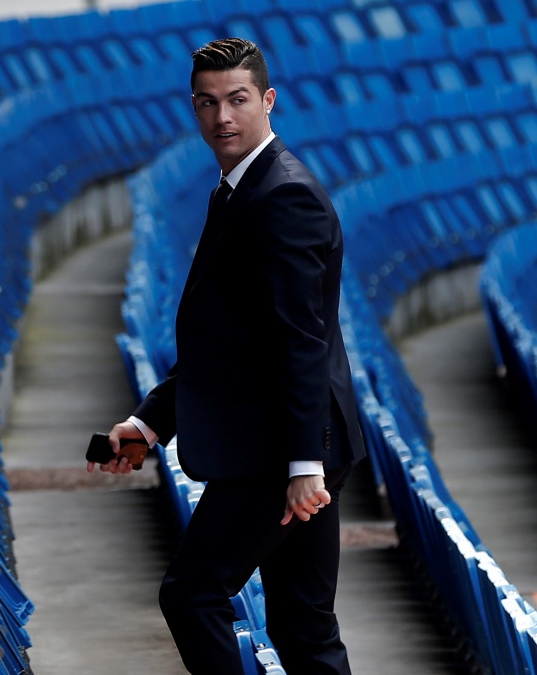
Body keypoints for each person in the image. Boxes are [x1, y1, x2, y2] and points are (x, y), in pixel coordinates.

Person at [89, 37, 366, 675]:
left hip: (281, 450)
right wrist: (149, 423)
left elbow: (299, 344)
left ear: (268, 100)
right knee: (305, 629)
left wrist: (303, 467)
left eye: (238, 100)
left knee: (192, 594)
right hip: (294, 441)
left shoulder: (282, 198)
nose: (223, 118)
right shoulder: (243, 188)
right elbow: (234, 342)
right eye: (208, 103)